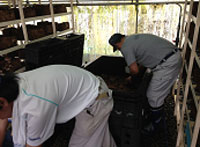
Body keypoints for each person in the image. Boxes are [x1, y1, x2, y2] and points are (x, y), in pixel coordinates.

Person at [0, 65, 116, 147]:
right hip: (83, 87)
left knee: (84, 143)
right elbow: (1, 126)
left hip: (95, 98)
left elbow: (33, 145)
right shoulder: (9, 88)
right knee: (99, 138)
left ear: (3, 102)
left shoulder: (36, 108)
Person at [109, 33, 182, 133]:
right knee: (157, 94)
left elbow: (134, 70)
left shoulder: (126, 47)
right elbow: (143, 62)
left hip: (167, 64)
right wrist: (132, 76)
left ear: (117, 45)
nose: (120, 50)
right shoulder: (133, 39)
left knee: (153, 96)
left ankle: (157, 126)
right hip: (172, 56)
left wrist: (132, 78)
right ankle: (154, 116)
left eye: (118, 48)